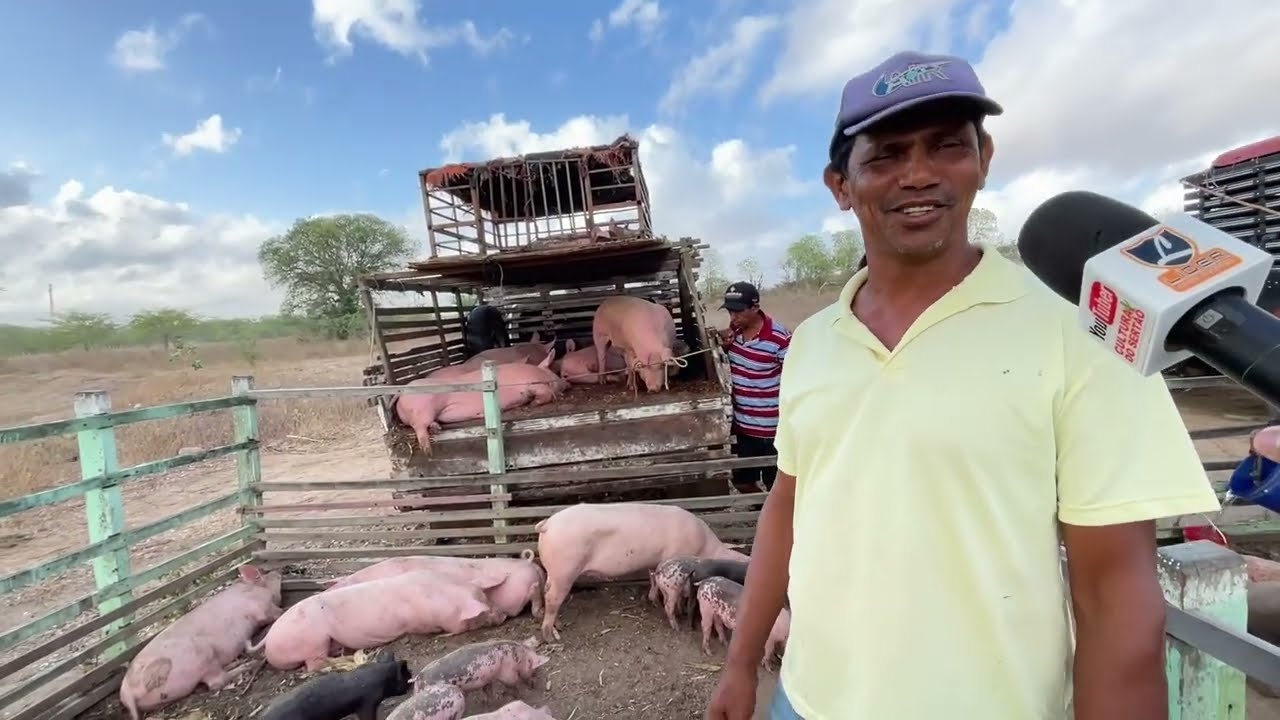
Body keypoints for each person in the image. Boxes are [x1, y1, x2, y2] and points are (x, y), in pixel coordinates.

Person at [705, 50, 1221, 720]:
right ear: (840, 184)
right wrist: (742, 664)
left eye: (947, 145)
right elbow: (787, 506)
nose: (918, 173)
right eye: (886, 154)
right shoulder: (813, 344)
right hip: (807, 702)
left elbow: (1115, 591)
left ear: (984, 158)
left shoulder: (1079, 333)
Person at [716, 281, 791, 493]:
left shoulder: (779, 338)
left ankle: (778, 521)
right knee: (741, 481)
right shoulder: (733, 335)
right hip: (744, 428)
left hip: (773, 430)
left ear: (755, 308)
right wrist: (723, 344)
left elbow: (795, 378)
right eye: (730, 312)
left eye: (738, 312)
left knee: (776, 486)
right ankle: (763, 511)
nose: (733, 317)